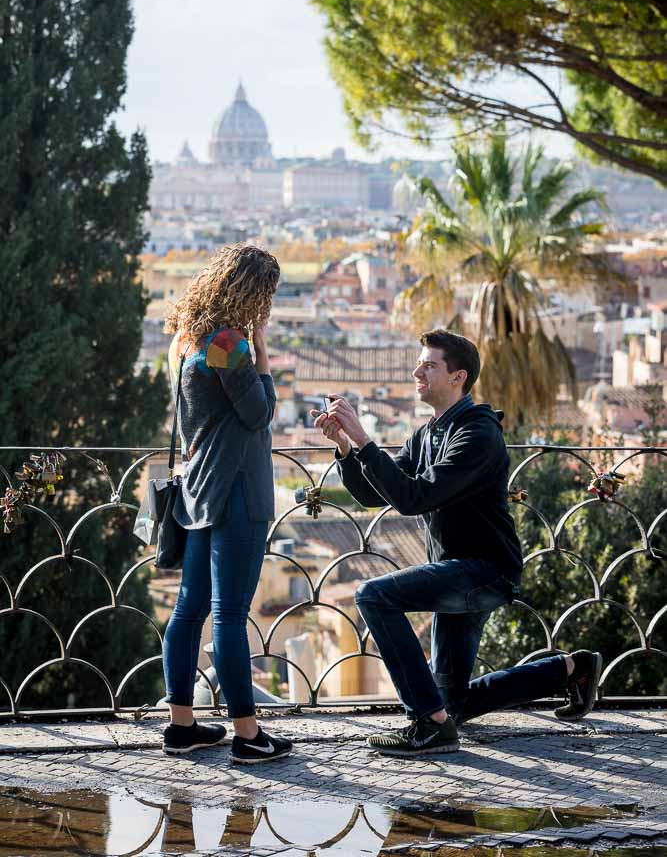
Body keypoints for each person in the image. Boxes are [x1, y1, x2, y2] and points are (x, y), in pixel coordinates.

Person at [312, 329, 602, 757]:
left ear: (458, 377)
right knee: (454, 702)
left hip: (485, 571)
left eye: (428, 365)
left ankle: (427, 723)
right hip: (454, 573)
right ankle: (570, 669)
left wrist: (364, 439)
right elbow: (379, 494)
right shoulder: (427, 434)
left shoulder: (478, 434)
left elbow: (415, 499)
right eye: (420, 363)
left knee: (372, 596)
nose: (417, 371)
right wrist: (344, 448)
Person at [160, 244, 292, 765]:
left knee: (188, 610)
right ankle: (248, 736)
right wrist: (262, 354)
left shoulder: (187, 340)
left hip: (198, 491)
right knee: (231, 615)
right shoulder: (228, 343)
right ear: (254, 294)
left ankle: (182, 726)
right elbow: (259, 414)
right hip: (238, 491)